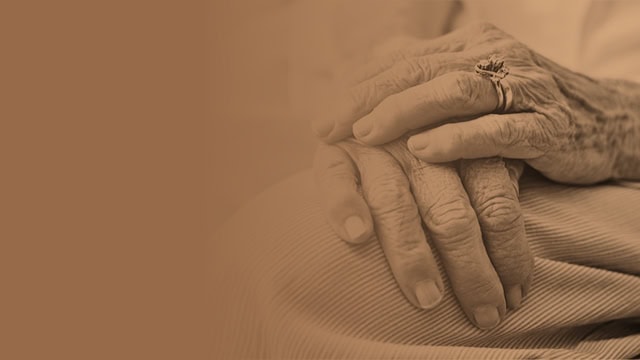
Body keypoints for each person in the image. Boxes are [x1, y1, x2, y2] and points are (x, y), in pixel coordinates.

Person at [212, 1, 640, 358]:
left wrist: (618, 120)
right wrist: (394, 81)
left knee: (302, 270)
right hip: (487, 102)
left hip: (622, 144)